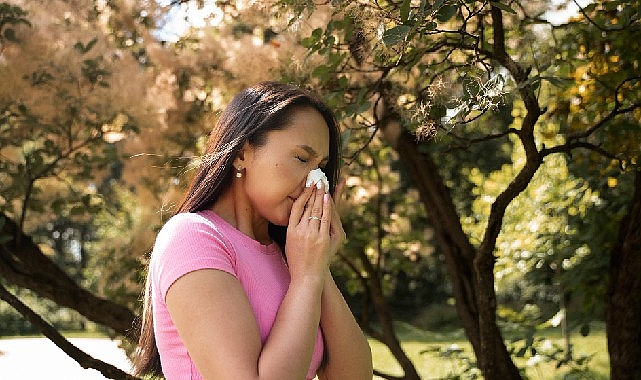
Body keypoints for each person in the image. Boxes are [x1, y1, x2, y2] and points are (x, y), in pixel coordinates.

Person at [133, 81, 373, 380]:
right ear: (242, 153)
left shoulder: (291, 256)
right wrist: (307, 276)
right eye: (301, 158)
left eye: (320, 167)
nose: (315, 182)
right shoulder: (192, 238)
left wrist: (317, 266)